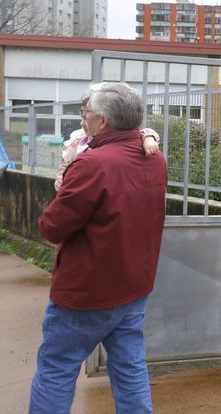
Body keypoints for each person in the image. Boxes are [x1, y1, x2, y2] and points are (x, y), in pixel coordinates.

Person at [30, 82, 168, 413]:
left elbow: (53, 227)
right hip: (133, 287)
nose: (83, 120)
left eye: (86, 113)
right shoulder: (154, 159)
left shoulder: (93, 164)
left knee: (57, 369)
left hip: (87, 293)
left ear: (103, 121)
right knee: (130, 368)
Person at [55, 97, 160, 191]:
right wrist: (63, 186)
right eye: (82, 118)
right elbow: (65, 165)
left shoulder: (110, 142)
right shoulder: (77, 139)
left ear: (103, 120)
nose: (82, 123)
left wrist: (149, 139)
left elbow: (143, 132)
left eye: (86, 118)